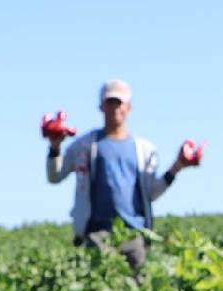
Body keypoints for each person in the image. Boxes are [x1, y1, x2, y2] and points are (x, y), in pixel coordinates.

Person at [45, 80, 195, 269]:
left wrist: (177, 166)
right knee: (98, 290)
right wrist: (55, 146)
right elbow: (55, 176)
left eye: (119, 103)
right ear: (101, 107)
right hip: (97, 234)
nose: (115, 108)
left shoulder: (144, 150)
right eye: (110, 102)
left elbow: (151, 193)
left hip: (133, 234)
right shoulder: (84, 146)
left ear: (129, 108)